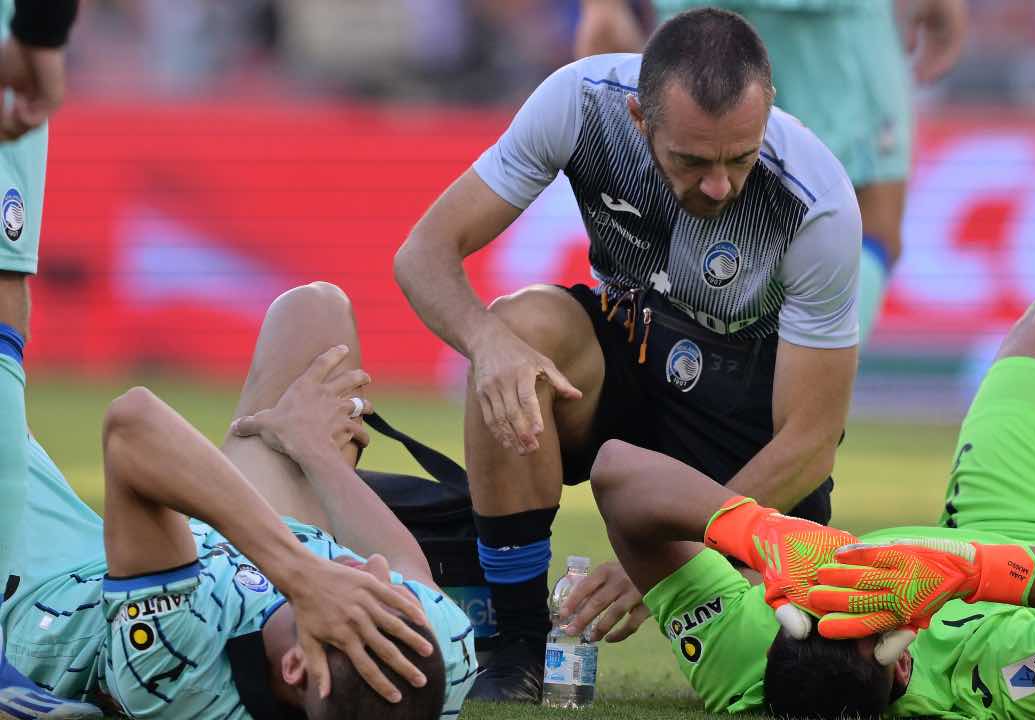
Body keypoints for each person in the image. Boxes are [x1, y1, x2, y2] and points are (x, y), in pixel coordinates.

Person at [395, 7, 862, 701]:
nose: (719, 186)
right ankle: (515, 642)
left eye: (741, 157)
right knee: (519, 328)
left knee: (791, 682)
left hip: (741, 442)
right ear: (642, 119)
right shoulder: (578, 105)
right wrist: (488, 345)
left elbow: (810, 442)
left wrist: (675, 560)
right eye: (692, 160)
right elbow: (422, 254)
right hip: (631, 363)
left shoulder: (815, 204)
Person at [582, 291, 1035, 718]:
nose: (843, 578)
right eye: (858, 596)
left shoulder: (743, 658)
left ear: (780, 614)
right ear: (904, 664)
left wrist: (760, 533)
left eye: (823, 588)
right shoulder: (989, 686)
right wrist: (974, 572)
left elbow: (617, 472)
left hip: (998, 520)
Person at [0, 281, 477, 719]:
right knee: (316, 312)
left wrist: (303, 574)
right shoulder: (434, 658)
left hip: (65, 594)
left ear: (294, 666)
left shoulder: (177, 670)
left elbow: (132, 427)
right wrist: (312, 450)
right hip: (258, 546)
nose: (374, 569)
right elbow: (401, 559)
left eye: (363, 600)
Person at [575, 0, 969, 342]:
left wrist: (603, 6)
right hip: (828, 16)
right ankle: (770, 403)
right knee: (869, 223)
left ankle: (691, 391)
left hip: (697, 14)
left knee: (704, 181)